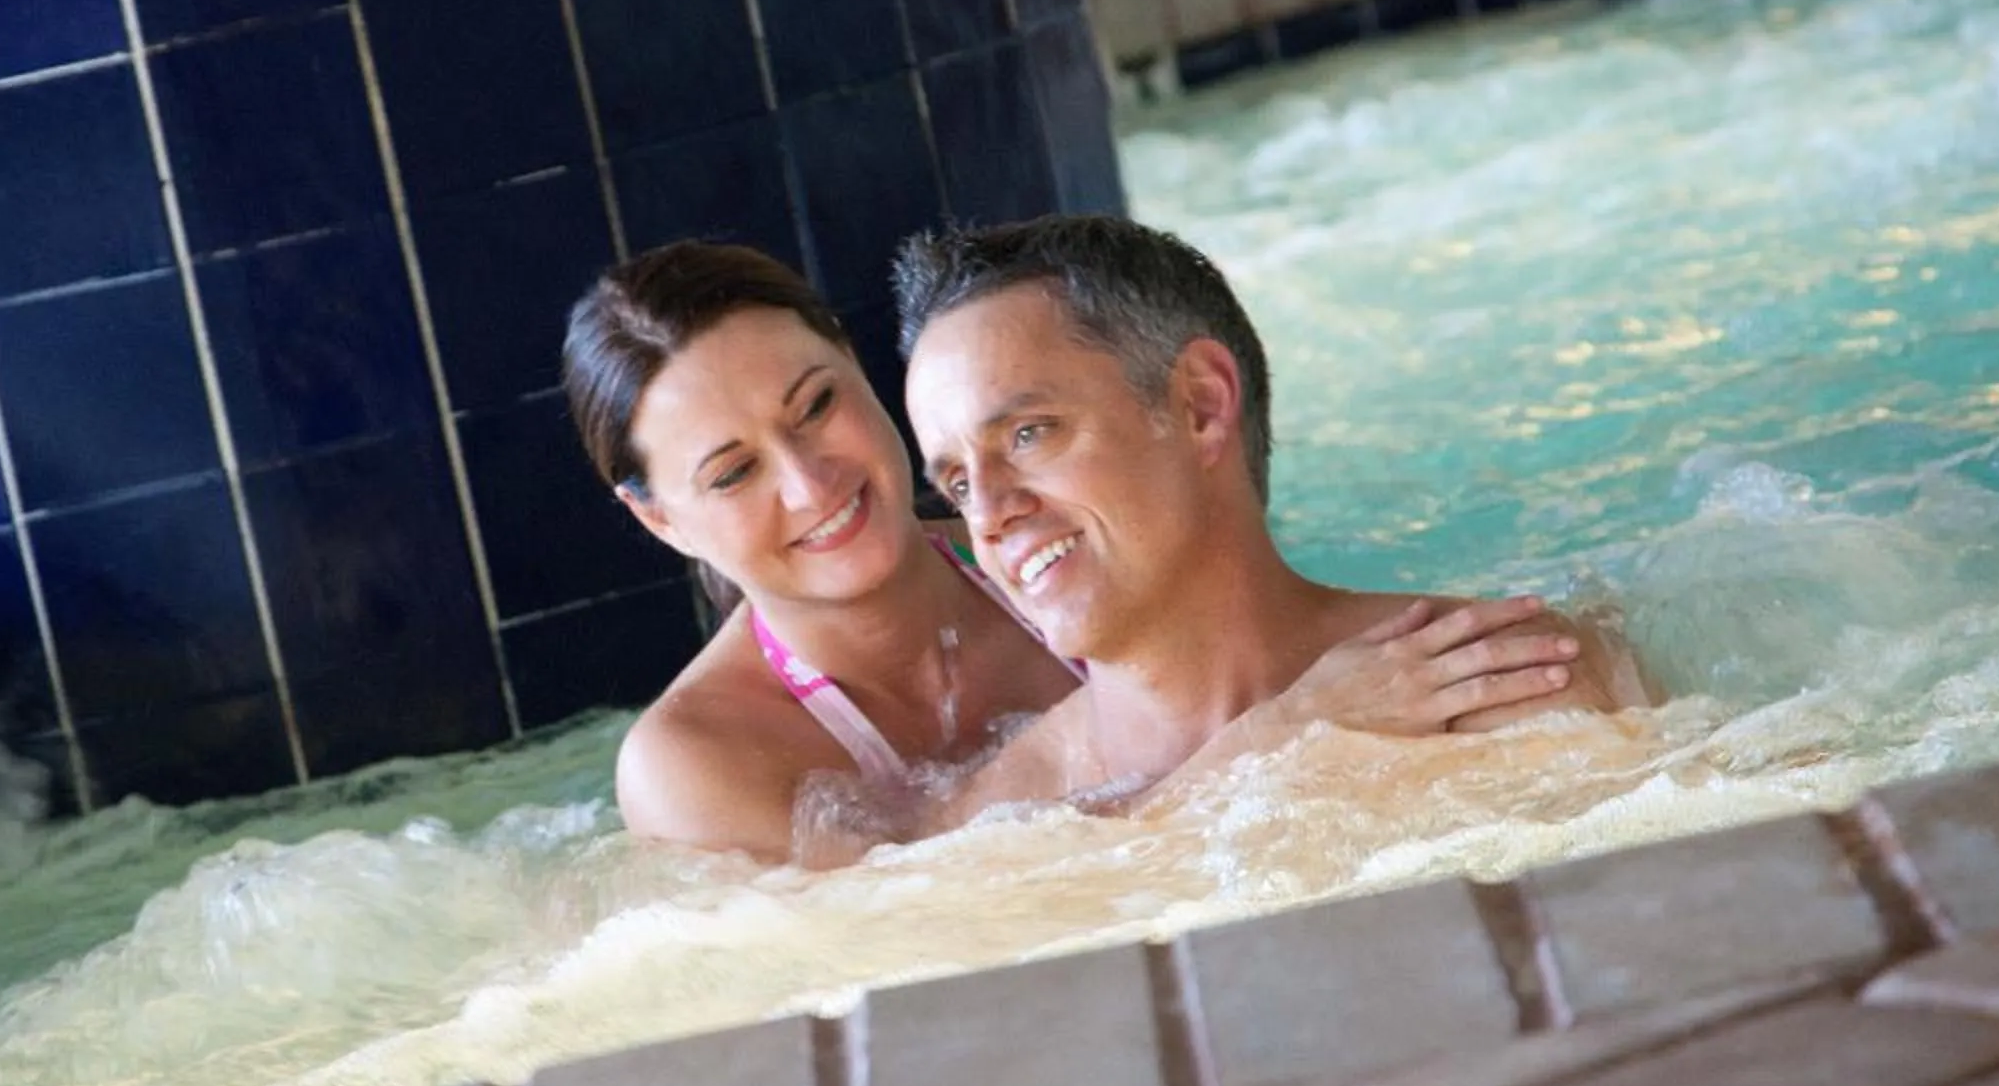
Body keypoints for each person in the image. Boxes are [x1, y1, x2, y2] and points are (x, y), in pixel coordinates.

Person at [565, 241, 1590, 860]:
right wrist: (1291, 737)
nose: (811, 481)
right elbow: (925, 938)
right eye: (732, 470)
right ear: (660, 518)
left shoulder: (1070, 555)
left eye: (819, 403)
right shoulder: (698, 760)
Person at [896, 214, 1646, 804]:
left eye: (1029, 434)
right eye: (957, 482)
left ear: (1199, 404)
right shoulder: (994, 815)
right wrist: (1278, 745)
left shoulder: (1506, 689)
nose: (987, 514)